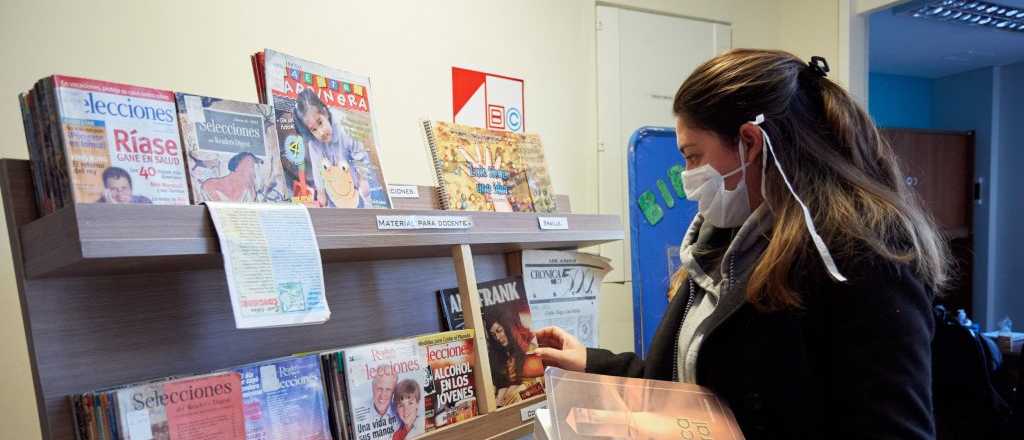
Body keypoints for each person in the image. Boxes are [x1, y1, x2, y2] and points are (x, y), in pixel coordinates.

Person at [535, 50, 949, 439]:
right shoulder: (723, 245)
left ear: (750, 143)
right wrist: (590, 363)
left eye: (693, 156)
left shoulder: (859, 262)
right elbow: (691, 381)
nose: (687, 176)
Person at [293, 88, 379, 208]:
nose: (321, 132)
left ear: (325, 113)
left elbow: (359, 153)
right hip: (334, 188)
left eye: (320, 123)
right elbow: (317, 169)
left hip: (354, 183)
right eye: (314, 130)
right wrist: (321, 192)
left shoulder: (344, 126)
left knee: (365, 198)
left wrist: (362, 179)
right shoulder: (314, 143)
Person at [483, 308, 545, 407]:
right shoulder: (497, 355)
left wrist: (521, 390)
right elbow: (498, 384)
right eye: (493, 335)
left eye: (499, 331)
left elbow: (541, 381)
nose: (497, 338)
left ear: (508, 328)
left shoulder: (529, 348)